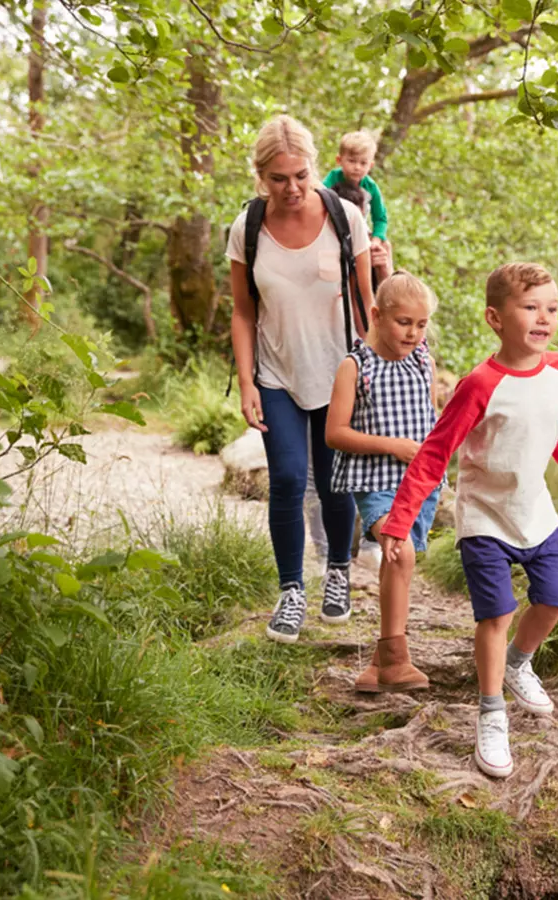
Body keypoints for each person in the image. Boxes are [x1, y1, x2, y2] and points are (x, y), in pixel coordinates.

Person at [377, 262, 558, 778]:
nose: (543, 318)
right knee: (496, 614)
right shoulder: (480, 384)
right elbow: (433, 455)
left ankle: (516, 664)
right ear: (495, 317)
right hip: (485, 517)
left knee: (554, 600)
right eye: (530, 307)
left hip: (535, 512)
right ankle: (491, 714)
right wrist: (399, 523)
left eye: (551, 308)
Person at [227, 114, 374, 643]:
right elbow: (243, 312)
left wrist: (375, 369)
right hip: (276, 373)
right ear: (260, 177)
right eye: (278, 178)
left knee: (336, 482)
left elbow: (367, 302)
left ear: (316, 168)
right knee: (288, 478)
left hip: (339, 372)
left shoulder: (345, 217)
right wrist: (247, 383)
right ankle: (291, 591)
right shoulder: (246, 228)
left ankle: (338, 571)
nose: (291, 188)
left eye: (301, 175)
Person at [325, 272, 442, 692]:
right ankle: (397, 659)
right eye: (403, 322)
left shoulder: (422, 362)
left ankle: (377, 667)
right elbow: (334, 433)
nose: (413, 333)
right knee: (400, 553)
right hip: (375, 479)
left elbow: (429, 420)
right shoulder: (355, 367)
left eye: (421, 324)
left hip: (418, 484)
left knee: (401, 560)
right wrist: (392, 446)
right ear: (377, 315)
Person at [322, 131, 389, 260]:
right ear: (339, 160)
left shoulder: (371, 187)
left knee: (383, 250)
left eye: (363, 163)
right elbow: (318, 197)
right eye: (352, 161)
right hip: (333, 230)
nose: (357, 167)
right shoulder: (331, 180)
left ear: (370, 165)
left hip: (360, 231)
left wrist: (376, 239)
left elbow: (380, 218)